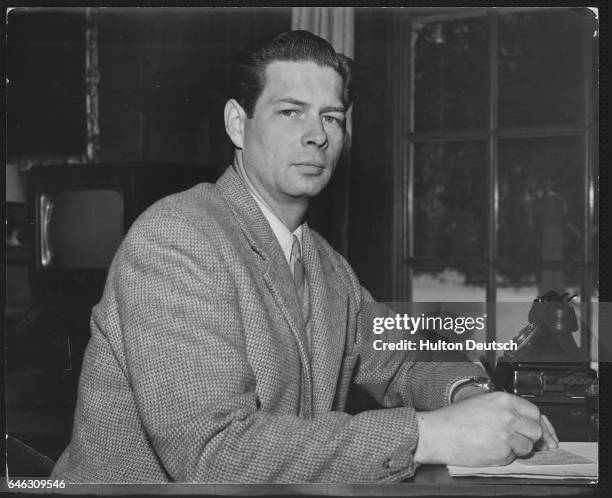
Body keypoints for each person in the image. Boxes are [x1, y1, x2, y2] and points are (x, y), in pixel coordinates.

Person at [52, 30, 558, 483]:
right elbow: (214, 456)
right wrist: (428, 435)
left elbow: (401, 364)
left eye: (331, 117)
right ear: (236, 123)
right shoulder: (175, 238)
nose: (317, 135)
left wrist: (468, 395)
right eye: (290, 111)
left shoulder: (327, 265)